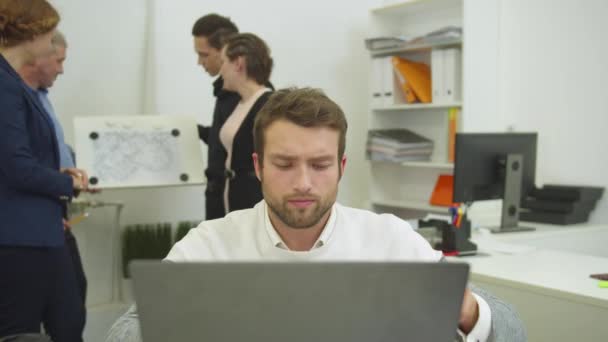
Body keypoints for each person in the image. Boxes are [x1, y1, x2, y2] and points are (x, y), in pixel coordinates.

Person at [106, 88, 526, 342]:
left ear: (341, 168)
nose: (303, 182)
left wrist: (467, 311)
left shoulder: (390, 238)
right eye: (285, 164)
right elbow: (125, 331)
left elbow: (511, 330)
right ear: (258, 166)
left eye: (320, 165)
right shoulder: (209, 244)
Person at [0, 1, 86, 341]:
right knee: (21, 332)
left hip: (37, 234)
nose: (52, 46)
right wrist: (66, 182)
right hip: (21, 238)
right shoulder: (5, 85)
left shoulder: (14, 85)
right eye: (50, 38)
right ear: (31, 34)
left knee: (67, 319)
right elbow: (17, 167)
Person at [16, 30, 88, 314]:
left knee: (72, 299)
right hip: (34, 220)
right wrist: (63, 183)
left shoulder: (41, 98)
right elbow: (18, 168)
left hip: (54, 212)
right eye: (58, 60)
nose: (61, 69)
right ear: (38, 56)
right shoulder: (15, 101)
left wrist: (67, 172)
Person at [217, 32, 273, 213]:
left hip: (253, 199)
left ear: (239, 64)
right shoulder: (239, 103)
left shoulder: (267, 104)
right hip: (234, 195)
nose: (221, 71)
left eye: (223, 62)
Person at [191, 14, 240, 220]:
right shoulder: (225, 91)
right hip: (217, 197)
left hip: (234, 203)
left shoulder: (249, 95)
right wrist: (191, 130)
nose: (199, 62)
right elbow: (224, 138)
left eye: (204, 55)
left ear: (225, 51)